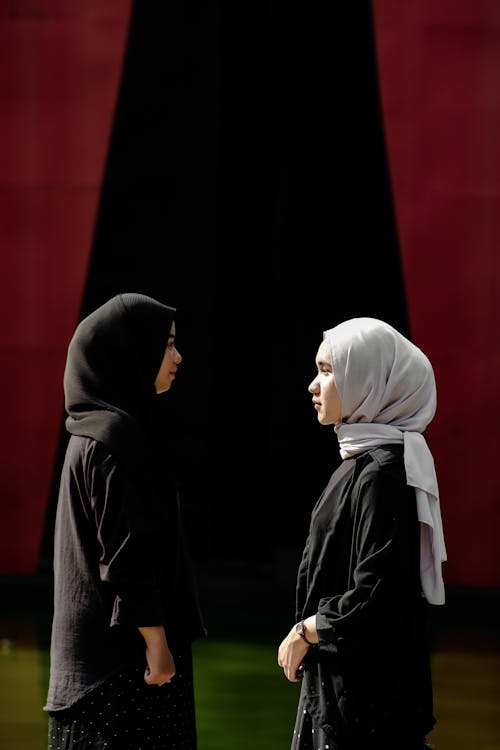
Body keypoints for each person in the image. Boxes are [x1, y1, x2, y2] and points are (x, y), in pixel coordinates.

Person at [44, 292, 206, 750]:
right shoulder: (113, 439)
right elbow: (125, 554)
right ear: (130, 351)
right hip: (120, 673)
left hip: (101, 670)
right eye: (167, 344)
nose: (177, 356)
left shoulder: (94, 432)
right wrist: (157, 643)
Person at [278, 317, 447, 750]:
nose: (313, 386)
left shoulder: (383, 474)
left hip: (365, 709)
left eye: (328, 370)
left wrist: (307, 631)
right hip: (349, 694)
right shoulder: (364, 461)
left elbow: (377, 595)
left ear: (369, 380)